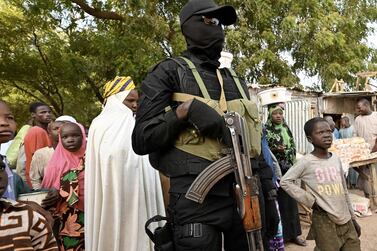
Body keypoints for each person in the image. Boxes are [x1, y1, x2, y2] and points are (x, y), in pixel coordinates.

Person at [132, 1, 279, 250]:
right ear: (189, 27)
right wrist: (184, 111)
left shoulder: (236, 80)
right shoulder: (169, 72)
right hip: (195, 199)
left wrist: (269, 194)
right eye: (209, 21)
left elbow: (254, 146)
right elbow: (142, 139)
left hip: (246, 193)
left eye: (220, 23)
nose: (217, 29)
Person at [85, 76, 165, 251]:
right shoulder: (99, 126)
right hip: (112, 191)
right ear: (116, 100)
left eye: (137, 101)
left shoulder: (138, 124)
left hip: (141, 191)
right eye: (130, 100)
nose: (135, 105)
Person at [281, 117, 361, 251]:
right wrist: (311, 201)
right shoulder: (306, 162)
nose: (327, 135)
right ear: (309, 138)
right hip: (324, 219)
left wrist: (353, 218)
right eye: (320, 132)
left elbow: (344, 190)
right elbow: (285, 182)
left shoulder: (335, 159)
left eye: (329, 131)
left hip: (345, 218)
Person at [0, 100, 58, 250]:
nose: (4, 123)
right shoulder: (36, 132)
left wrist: (30, 203)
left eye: (9, 118)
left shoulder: (4, 164)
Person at [265, 103, 305, 246]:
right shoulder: (266, 130)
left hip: (288, 169)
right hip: (275, 171)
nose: (278, 116)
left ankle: (295, 235)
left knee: (291, 201)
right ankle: (283, 236)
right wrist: (276, 150)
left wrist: (289, 156)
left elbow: (292, 146)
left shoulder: (286, 128)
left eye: (280, 113)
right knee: (279, 202)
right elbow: (264, 149)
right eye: (275, 113)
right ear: (270, 114)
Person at [41, 122, 86, 250]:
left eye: (75, 135)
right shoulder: (55, 162)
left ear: (83, 136)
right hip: (68, 216)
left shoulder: (93, 156)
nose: (70, 139)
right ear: (60, 139)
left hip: (95, 209)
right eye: (65, 137)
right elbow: (48, 190)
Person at [23, 102, 52, 187]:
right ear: (33, 115)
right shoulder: (37, 131)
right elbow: (38, 161)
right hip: (39, 181)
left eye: (49, 112)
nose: (47, 114)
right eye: (43, 112)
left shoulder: (46, 132)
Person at [30, 120, 64, 189]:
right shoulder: (40, 154)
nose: (59, 131)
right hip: (48, 195)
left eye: (63, 128)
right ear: (49, 133)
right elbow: (35, 180)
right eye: (56, 128)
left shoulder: (72, 153)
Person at [353, 98, 377, 197]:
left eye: (360, 108)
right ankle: (368, 198)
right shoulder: (358, 119)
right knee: (365, 177)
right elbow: (355, 137)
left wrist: (373, 151)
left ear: (366, 105)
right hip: (363, 154)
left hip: (375, 153)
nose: (358, 110)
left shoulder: (376, 116)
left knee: (375, 175)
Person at [339, 116, 358, 188]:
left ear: (346, 121)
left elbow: (355, 140)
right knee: (346, 168)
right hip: (344, 153)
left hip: (352, 151)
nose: (341, 123)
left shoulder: (353, 129)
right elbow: (340, 141)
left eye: (342, 121)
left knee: (354, 168)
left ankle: (354, 184)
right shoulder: (341, 131)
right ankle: (348, 183)